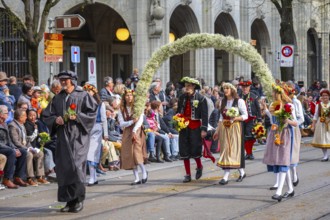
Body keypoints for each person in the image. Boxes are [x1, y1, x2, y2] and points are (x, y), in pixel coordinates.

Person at [42, 70, 98, 213]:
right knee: (64, 168)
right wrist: (56, 120)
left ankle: (78, 200)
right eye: (61, 79)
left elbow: (92, 113)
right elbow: (47, 114)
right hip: (63, 137)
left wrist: (78, 117)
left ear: (72, 80)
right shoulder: (57, 98)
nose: (63, 82)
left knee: (76, 167)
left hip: (78, 137)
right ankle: (68, 201)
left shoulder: (83, 95)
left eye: (65, 79)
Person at [262, 83, 297, 202]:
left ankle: (279, 191)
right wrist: (266, 111)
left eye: (274, 92)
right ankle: (291, 189)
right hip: (274, 134)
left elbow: (295, 123)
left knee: (283, 161)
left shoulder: (289, 105)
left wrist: (286, 120)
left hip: (286, 134)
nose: (272, 94)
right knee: (279, 161)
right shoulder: (273, 104)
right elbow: (272, 119)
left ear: (279, 93)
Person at [213, 82, 248, 185]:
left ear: (232, 89)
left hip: (235, 128)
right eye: (224, 89)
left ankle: (232, 174)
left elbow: (245, 115)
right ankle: (234, 174)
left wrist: (236, 118)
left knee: (234, 150)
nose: (225, 90)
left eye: (227, 88)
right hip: (225, 128)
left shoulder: (239, 101)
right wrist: (217, 131)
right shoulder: (223, 101)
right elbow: (220, 118)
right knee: (226, 150)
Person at [177, 77, 208, 183]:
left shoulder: (201, 98)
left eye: (189, 86)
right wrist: (177, 120)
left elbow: (204, 115)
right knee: (184, 150)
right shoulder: (181, 97)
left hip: (195, 126)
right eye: (186, 86)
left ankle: (199, 166)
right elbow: (178, 111)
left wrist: (204, 129)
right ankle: (188, 174)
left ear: (194, 86)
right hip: (183, 126)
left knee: (195, 149)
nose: (187, 88)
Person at [9, 109, 48, 186]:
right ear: (20, 117)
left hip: (25, 146)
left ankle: (39, 176)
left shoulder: (22, 124)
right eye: (25, 116)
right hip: (17, 148)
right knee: (29, 154)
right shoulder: (12, 125)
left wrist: (31, 148)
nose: (26, 118)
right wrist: (27, 149)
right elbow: (15, 142)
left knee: (40, 153)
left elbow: (26, 140)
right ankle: (30, 178)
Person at [117, 88, 148, 185]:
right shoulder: (121, 109)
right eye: (127, 95)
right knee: (129, 154)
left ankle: (144, 172)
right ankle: (136, 177)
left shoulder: (137, 106)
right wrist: (131, 122)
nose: (129, 97)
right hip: (127, 131)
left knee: (136, 152)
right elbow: (121, 123)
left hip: (137, 130)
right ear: (124, 97)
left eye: (130, 95)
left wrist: (135, 130)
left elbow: (140, 119)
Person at [83, 84, 108, 186]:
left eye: (90, 90)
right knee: (87, 153)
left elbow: (104, 119)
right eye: (86, 91)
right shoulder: (83, 103)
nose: (88, 92)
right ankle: (93, 176)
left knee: (92, 153)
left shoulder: (100, 104)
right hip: (86, 129)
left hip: (96, 129)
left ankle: (92, 177)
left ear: (94, 92)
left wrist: (105, 134)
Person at [0, 105, 28, 189]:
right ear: (0, 114)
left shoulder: (4, 124)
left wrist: (15, 148)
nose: (8, 115)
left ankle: (18, 177)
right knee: (11, 152)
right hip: (1, 147)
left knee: (23, 151)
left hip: (5, 147)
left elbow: (9, 140)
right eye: (6, 113)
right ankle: (7, 179)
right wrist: (12, 149)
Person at [287, 81, 304, 187]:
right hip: (284, 130)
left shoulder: (296, 102)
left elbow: (301, 118)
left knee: (293, 154)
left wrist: (294, 124)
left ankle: (294, 174)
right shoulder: (283, 102)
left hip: (294, 129)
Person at [239, 80, 262, 160]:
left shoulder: (253, 96)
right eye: (243, 87)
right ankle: (247, 153)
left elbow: (258, 109)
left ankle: (250, 153)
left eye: (246, 87)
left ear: (249, 87)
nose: (245, 89)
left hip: (251, 119)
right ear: (241, 88)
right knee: (243, 137)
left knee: (250, 136)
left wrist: (259, 120)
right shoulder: (238, 96)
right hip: (241, 119)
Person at [310, 89, 330, 161]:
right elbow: (315, 116)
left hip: (329, 123)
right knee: (322, 139)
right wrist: (313, 125)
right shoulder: (318, 105)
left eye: (326, 95)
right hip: (321, 124)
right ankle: (325, 156)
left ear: (329, 96)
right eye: (323, 95)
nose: (325, 97)